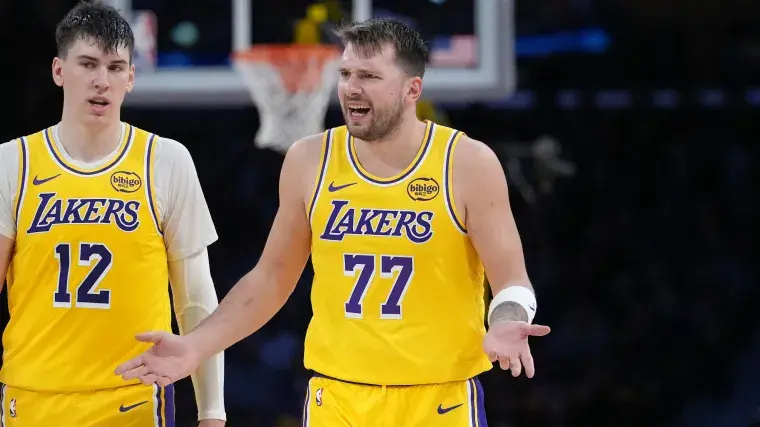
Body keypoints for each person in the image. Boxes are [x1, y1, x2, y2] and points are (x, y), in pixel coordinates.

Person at [116, 18, 550, 426]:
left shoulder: (467, 163)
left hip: (438, 401)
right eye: (345, 74)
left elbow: (512, 281)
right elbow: (270, 279)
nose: (351, 88)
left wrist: (505, 320)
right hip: (337, 400)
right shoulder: (310, 160)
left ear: (412, 89)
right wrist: (195, 346)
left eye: (370, 76)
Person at [0, 1, 226, 426]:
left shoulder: (165, 161)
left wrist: (212, 411)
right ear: (58, 70)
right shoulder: (13, 163)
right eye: (87, 64)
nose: (101, 81)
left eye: (115, 67)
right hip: (32, 399)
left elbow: (195, 298)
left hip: (134, 401)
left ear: (131, 78)